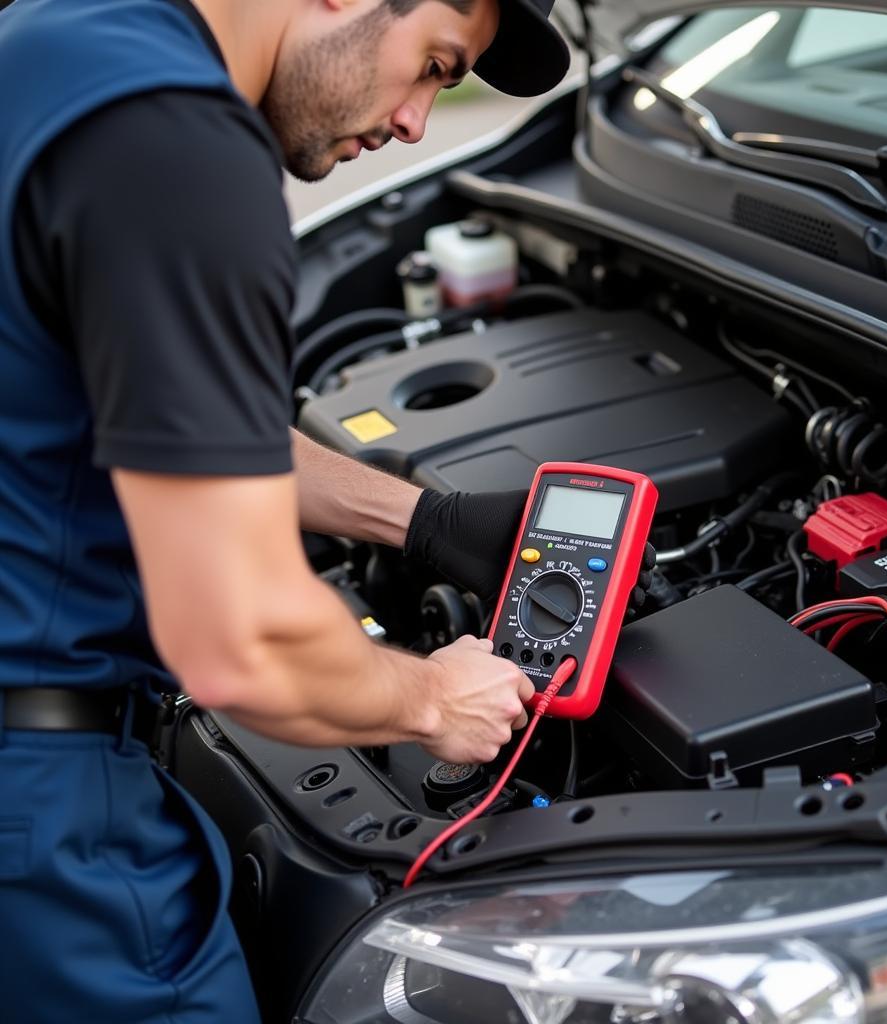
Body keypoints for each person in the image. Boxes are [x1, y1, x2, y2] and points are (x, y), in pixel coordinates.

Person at [0, 0, 570, 1019]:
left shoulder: (62, 41)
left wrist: (420, 520)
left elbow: (168, 423)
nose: (414, 123)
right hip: (43, 813)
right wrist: (433, 701)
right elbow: (240, 644)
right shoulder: (181, 147)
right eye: (436, 65)